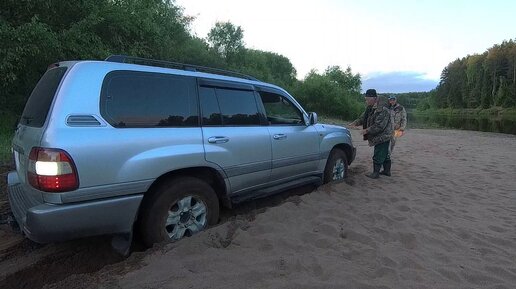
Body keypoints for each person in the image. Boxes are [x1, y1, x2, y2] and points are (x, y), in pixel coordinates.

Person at [349, 89, 393, 179]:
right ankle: (387, 171)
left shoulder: (383, 109)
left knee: (379, 153)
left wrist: (366, 130)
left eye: (367, 99)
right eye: (365, 99)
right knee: (384, 153)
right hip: (379, 134)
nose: (366, 101)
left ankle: (375, 173)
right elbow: (363, 117)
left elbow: (380, 126)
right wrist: (355, 123)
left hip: (384, 135)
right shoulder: (370, 107)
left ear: (374, 98)